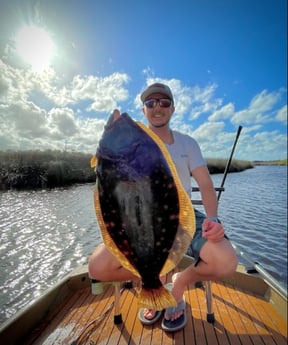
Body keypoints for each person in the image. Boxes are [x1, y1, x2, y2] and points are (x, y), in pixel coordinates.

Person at [88, 82, 238, 332]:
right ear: (143, 110)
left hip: (179, 219)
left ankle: (177, 284)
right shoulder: (135, 138)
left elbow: (205, 184)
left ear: (173, 108)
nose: (157, 107)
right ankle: (153, 282)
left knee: (226, 262)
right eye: (150, 103)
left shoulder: (187, 144)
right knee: (97, 268)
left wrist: (213, 218)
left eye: (164, 102)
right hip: (134, 221)